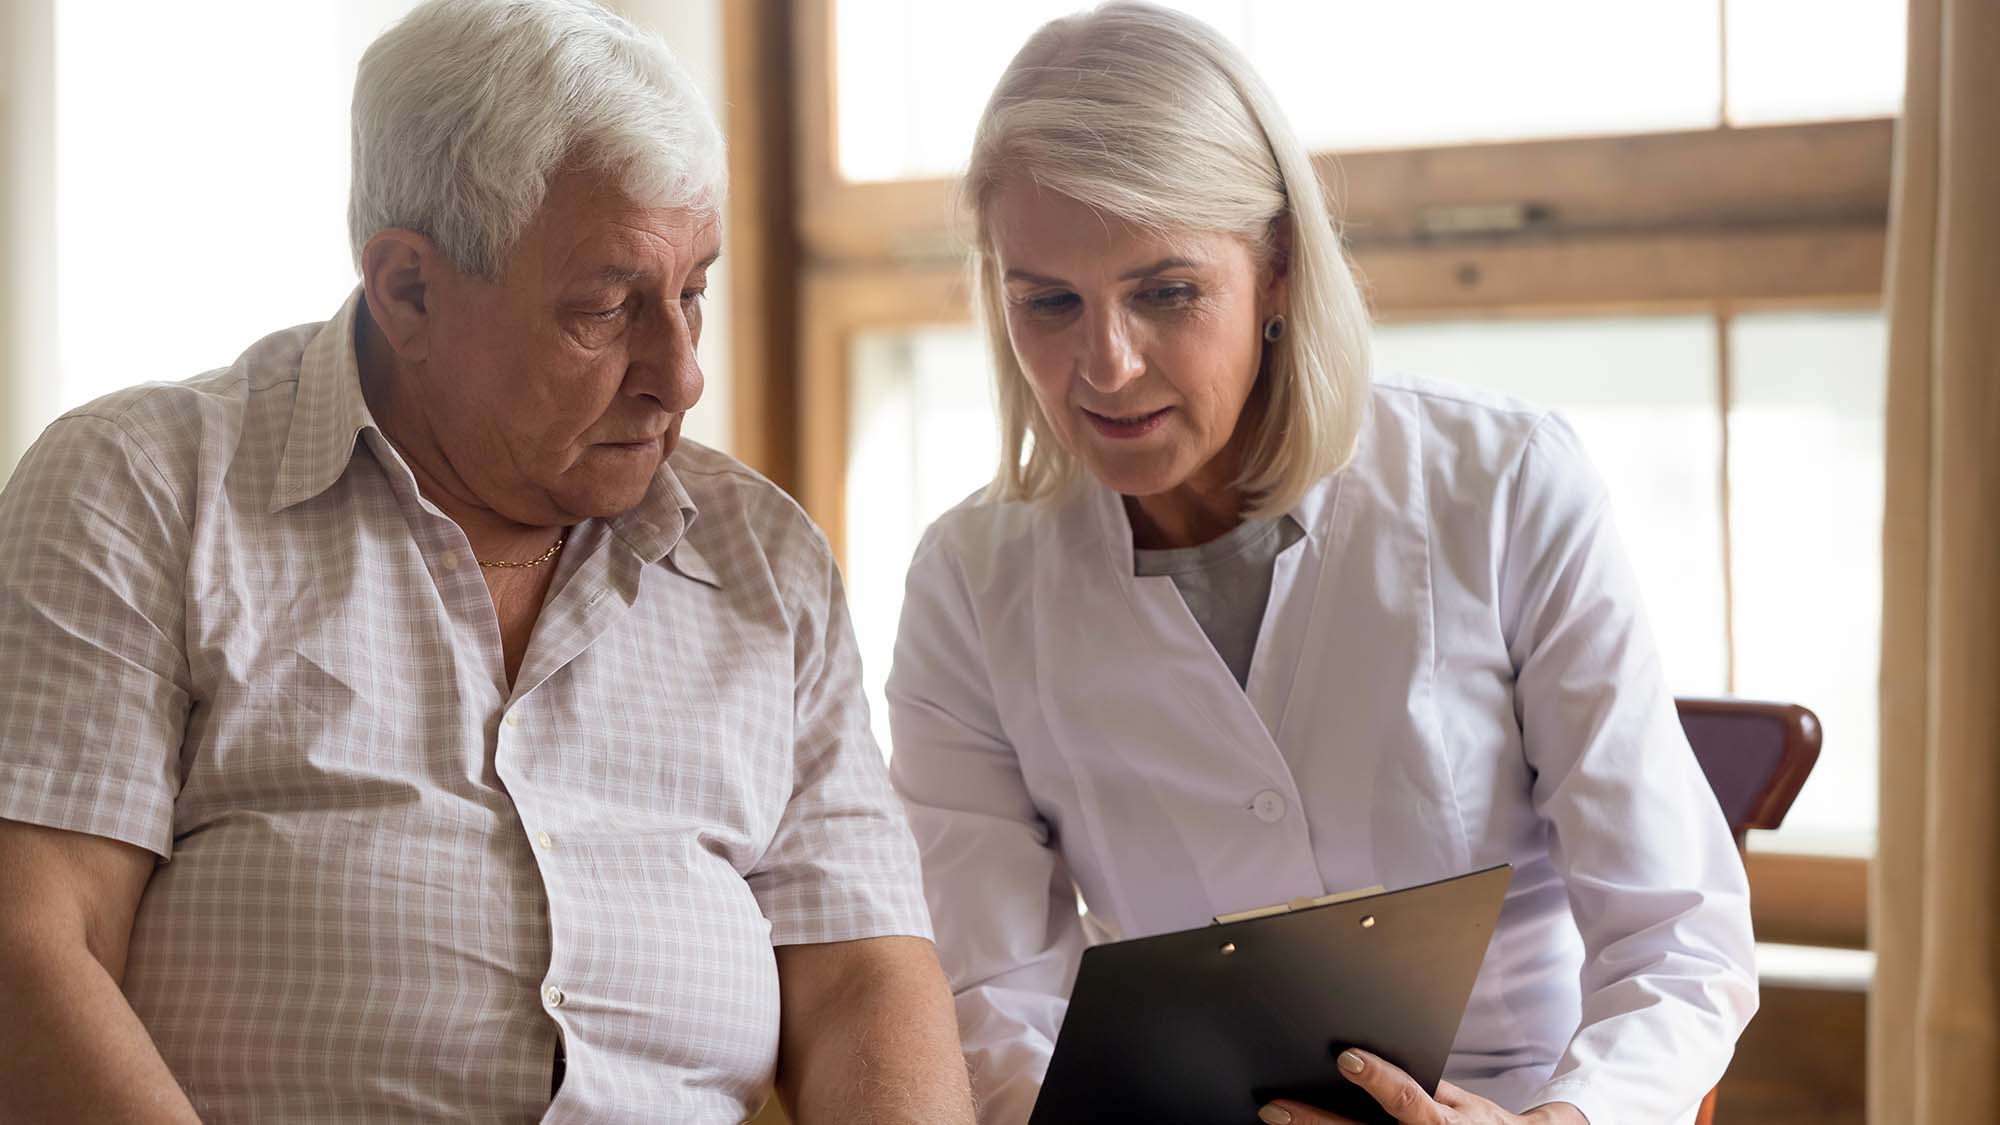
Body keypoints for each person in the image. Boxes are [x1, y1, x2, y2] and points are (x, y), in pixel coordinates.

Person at [0, 1, 974, 1121]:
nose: (681, 373)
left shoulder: (762, 560)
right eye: (607, 308)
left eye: (693, 292)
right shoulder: (144, 489)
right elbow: (33, 951)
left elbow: (863, 976)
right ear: (407, 288)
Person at [886, 4, 1757, 1124]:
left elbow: (1677, 937)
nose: (1102, 365)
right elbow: (993, 998)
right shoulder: (969, 581)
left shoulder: (1500, 486)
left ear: (1280, 270)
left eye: (1166, 292)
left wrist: (1561, 1121)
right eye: (1047, 302)